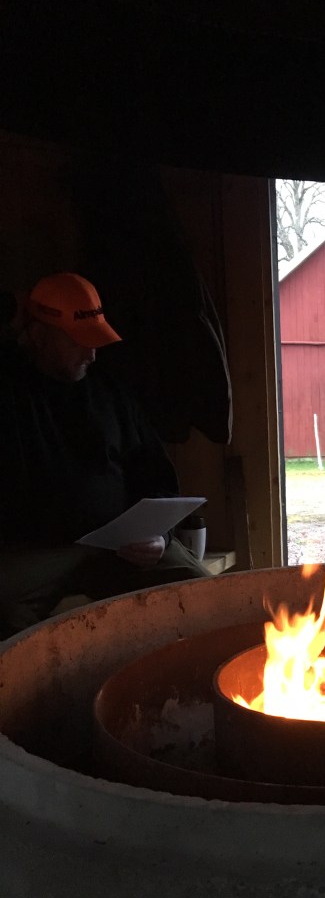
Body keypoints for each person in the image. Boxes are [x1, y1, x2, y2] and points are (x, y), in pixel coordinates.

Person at [0, 272, 211, 638]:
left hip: (121, 547)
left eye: (95, 340)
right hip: (38, 553)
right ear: (38, 335)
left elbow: (156, 476)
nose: (92, 353)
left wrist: (159, 536)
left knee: (202, 591)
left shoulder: (111, 393)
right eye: (77, 341)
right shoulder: (10, 389)